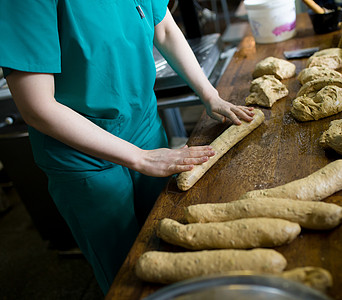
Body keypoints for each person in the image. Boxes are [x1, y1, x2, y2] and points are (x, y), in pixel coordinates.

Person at [0, 0, 254, 294]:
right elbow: (36, 106)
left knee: (173, 242)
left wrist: (211, 96)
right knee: (130, 275)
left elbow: (165, 30)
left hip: (144, 129)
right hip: (85, 159)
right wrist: (140, 158)